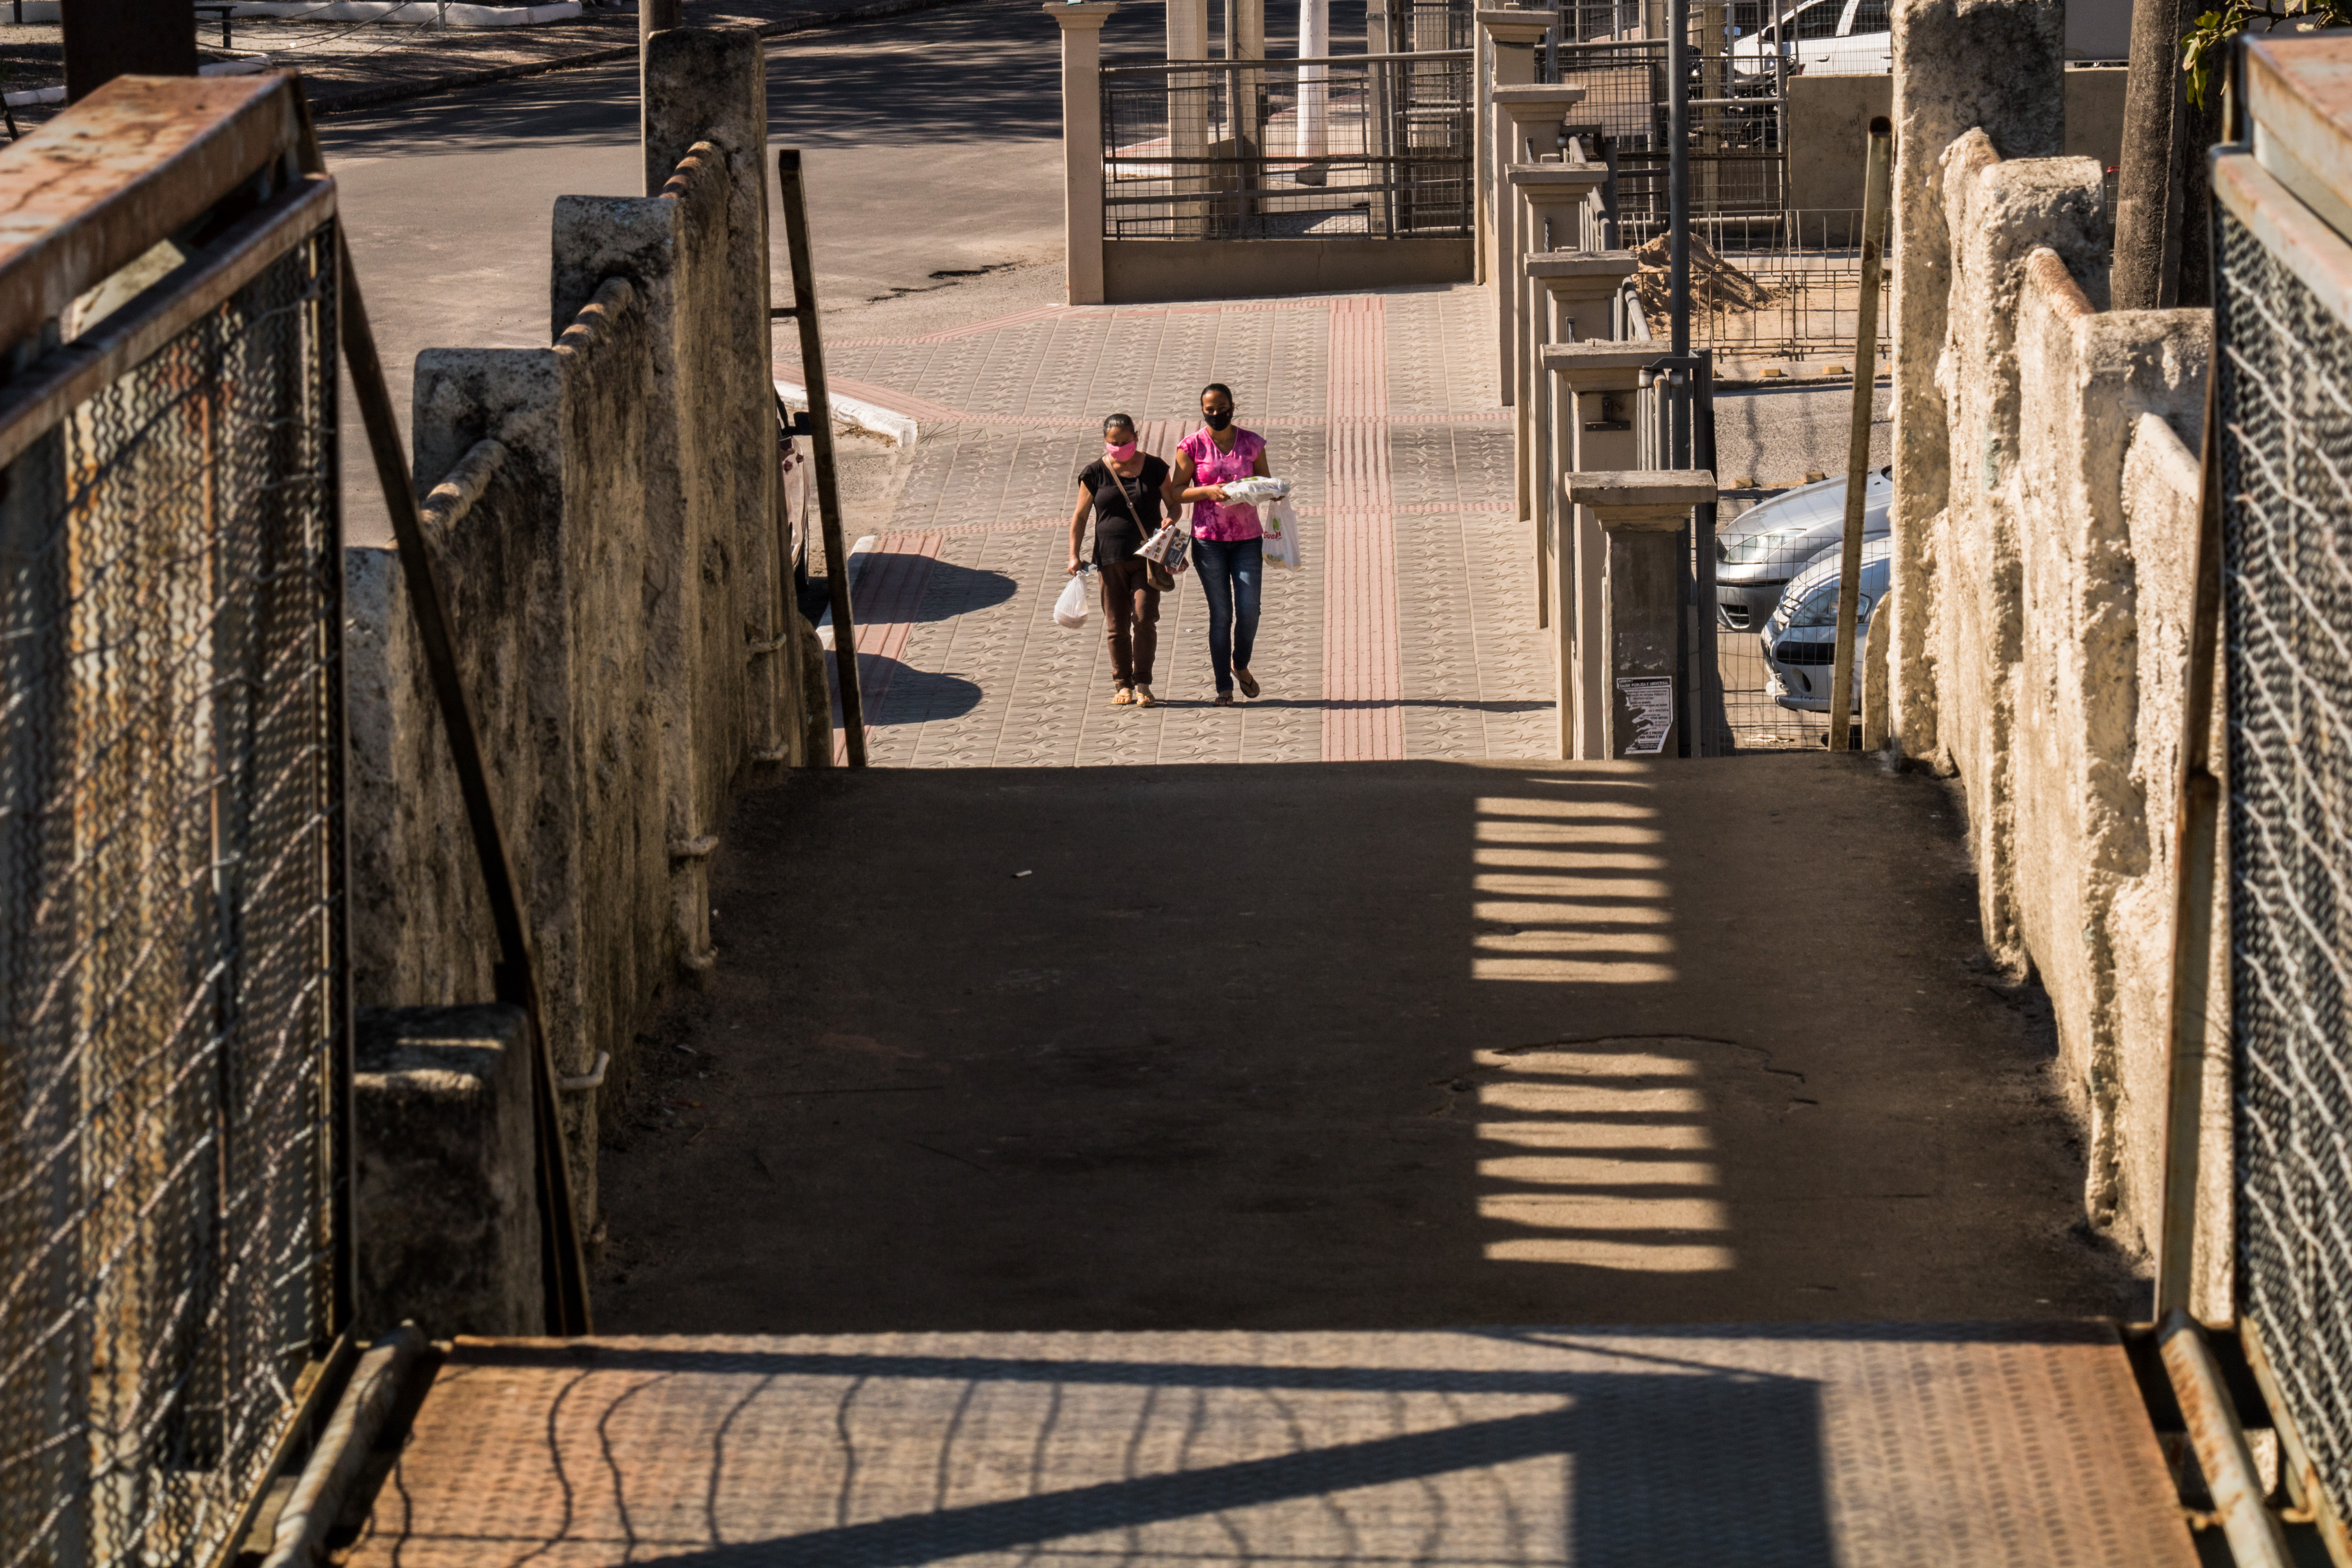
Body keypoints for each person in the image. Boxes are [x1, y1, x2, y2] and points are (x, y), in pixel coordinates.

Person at [1068, 413, 1181, 707]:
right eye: (1112, 443)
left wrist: (1170, 521)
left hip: (1147, 559)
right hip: (1109, 559)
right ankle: (1123, 684)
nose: (1119, 447)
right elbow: (1080, 516)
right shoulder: (1094, 473)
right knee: (1116, 624)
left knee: (1144, 618)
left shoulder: (1155, 468)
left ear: (1136, 436)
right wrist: (1073, 555)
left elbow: (1174, 505)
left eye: (1125, 441)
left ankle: (1143, 682)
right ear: (1105, 442)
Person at [1172, 383, 1273, 705]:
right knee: (1221, 614)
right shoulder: (1191, 447)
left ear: (1233, 406)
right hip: (1208, 541)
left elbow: (1266, 483)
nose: (1216, 414)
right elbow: (1176, 491)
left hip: (1247, 539)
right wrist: (1207, 491)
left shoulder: (1252, 443)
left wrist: (1264, 490)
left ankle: (1240, 665)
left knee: (1250, 611)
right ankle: (1223, 687)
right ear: (1202, 410)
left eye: (1222, 408)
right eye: (1210, 410)